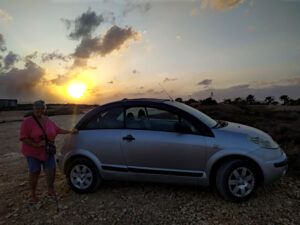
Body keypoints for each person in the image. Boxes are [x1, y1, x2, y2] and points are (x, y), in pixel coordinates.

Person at [20, 100, 78, 204]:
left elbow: (57, 130)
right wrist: (36, 144)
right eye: (37, 108)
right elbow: (23, 137)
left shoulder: (49, 120)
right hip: (33, 152)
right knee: (34, 173)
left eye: (42, 108)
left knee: (51, 171)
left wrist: (70, 131)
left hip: (48, 152)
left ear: (45, 109)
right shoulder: (27, 122)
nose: (40, 110)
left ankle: (50, 191)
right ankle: (32, 194)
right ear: (33, 109)